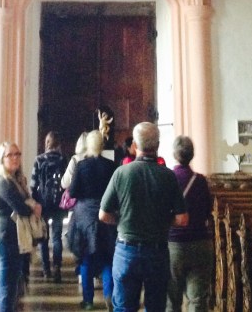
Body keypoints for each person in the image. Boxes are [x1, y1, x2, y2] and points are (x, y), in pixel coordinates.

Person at [99, 122, 188, 312]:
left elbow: (103, 214)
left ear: (136, 145)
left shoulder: (121, 173)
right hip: (157, 251)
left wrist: (121, 220)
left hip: (126, 250)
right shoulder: (168, 176)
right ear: (157, 145)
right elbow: (182, 219)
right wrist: (163, 221)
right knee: (155, 307)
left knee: (124, 307)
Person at [0, 141, 42, 312]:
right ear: (1, 159)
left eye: (17, 154)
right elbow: (20, 208)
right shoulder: (2, 182)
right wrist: (33, 207)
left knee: (3, 288)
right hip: (5, 240)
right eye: (10, 155)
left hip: (13, 240)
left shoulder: (15, 180)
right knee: (7, 291)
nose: (15, 158)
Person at [68, 130, 117, 311]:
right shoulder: (111, 166)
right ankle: (109, 296)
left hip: (85, 216)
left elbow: (72, 192)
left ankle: (88, 300)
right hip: (105, 214)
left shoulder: (81, 166)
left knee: (86, 257)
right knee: (107, 257)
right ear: (102, 145)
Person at [166, 136, 213, 312]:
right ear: (192, 155)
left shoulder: (169, 178)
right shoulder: (200, 181)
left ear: (174, 154)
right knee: (198, 300)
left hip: (174, 244)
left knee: (172, 299)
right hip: (201, 242)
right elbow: (208, 210)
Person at [30, 131, 68, 282]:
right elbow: (65, 182)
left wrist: (34, 203)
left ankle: (46, 269)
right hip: (59, 203)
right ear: (58, 144)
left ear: (46, 143)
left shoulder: (39, 160)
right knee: (57, 236)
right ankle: (57, 266)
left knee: (43, 236)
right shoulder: (62, 159)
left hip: (43, 203)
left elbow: (33, 184)